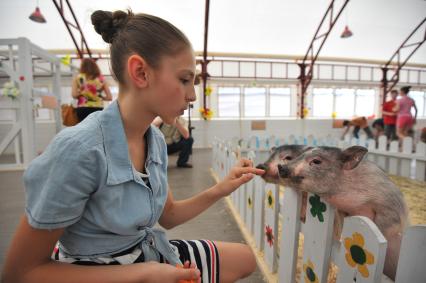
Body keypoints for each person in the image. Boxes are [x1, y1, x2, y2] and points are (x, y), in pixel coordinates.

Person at [2, 10, 265, 283]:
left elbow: (170, 215)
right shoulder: (79, 151)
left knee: (244, 258)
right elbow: (20, 273)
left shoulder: (156, 141)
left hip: (144, 249)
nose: (192, 95)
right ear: (140, 73)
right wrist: (147, 274)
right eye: (185, 80)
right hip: (92, 267)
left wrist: (223, 188)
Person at [71, 58, 113, 122]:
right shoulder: (101, 79)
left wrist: (83, 92)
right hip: (97, 108)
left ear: (82, 66)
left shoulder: (78, 78)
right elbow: (109, 97)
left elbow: (74, 95)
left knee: (83, 130)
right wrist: (100, 96)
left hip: (83, 108)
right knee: (96, 130)